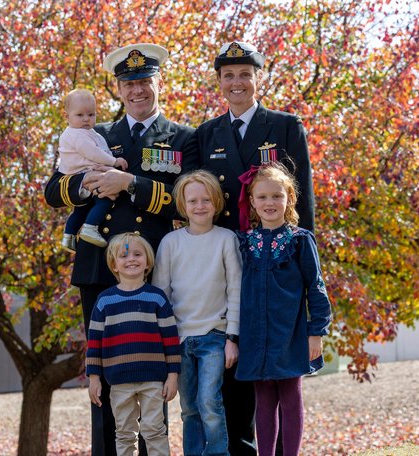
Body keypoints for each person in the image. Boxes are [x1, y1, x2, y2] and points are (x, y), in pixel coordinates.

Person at [44, 43, 197, 456]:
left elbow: (192, 202)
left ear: (158, 82)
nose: (137, 90)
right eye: (129, 83)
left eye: (145, 81)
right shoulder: (94, 134)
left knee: (151, 376)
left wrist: (130, 184)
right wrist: (89, 184)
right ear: (117, 88)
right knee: (104, 380)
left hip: (156, 274)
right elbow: (53, 190)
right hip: (99, 271)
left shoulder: (184, 137)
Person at [184, 41, 317, 455]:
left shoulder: (285, 126)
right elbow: (197, 197)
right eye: (229, 76)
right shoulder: (205, 135)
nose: (237, 82)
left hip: (277, 268)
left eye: (245, 74)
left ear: (259, 77)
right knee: (235, 366)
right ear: (219, 82)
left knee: (280, 377)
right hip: (228, 263)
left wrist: (301, 267)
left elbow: (304, 205)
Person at [235, 163, 332, 456]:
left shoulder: (300, 240)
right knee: (263, 401)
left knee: (290, 396)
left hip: (290, 332)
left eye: (276, 196)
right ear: (252, 201)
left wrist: (316, 332)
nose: (269, 203)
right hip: (256, 335)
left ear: (289, 197)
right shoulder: (244, 242)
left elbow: (315, 288)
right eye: (262, 197)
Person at [151, 170, 241, 455]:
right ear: (182, 204)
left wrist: (232, 337)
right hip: (179, 339)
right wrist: (164, 344)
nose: (199, 206)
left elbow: (236, 290)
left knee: (208, 402)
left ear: (216, 203)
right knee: (189, 408)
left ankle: (217, 452)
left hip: (215, 335)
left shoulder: (226, 239)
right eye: (193, 201)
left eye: (206, 200)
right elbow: (161, 295)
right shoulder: (170, 243)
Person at [86, 232, 181, 456]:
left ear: (147, 261)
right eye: (124, 256)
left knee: (155, 431)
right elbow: (94, 342)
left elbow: (170, 339)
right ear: (114, 264)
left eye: (138, 254)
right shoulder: (105, 301)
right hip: (119, 381)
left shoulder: (156, 298)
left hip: (153, 381)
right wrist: (93, 378)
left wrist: (173, 375)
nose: (131, 259)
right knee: (124, 433)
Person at [58, 88, 129, 251]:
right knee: (105, 199)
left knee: (81, 209)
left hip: (84, 171)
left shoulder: (85, 132)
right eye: (80, 115)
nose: (86, 119)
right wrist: (114, 161)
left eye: (91, 115)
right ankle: (90, 227)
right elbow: (93, 153)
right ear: (66, 116)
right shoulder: (78, 135)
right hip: (84, 173)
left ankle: (68, 237)